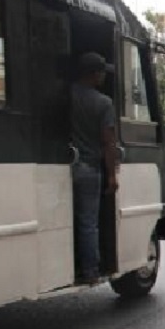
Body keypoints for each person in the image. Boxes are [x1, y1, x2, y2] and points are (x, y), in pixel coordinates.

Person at [70, 52, 118, 284]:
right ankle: (90, 271)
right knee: (88, 222)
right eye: (101, 73)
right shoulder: (103, 103)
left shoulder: (65, 96)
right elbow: (108, 141)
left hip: (64, 166)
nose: (103, 77)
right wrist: (112, 175)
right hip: (89, 168)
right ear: (94, 74)